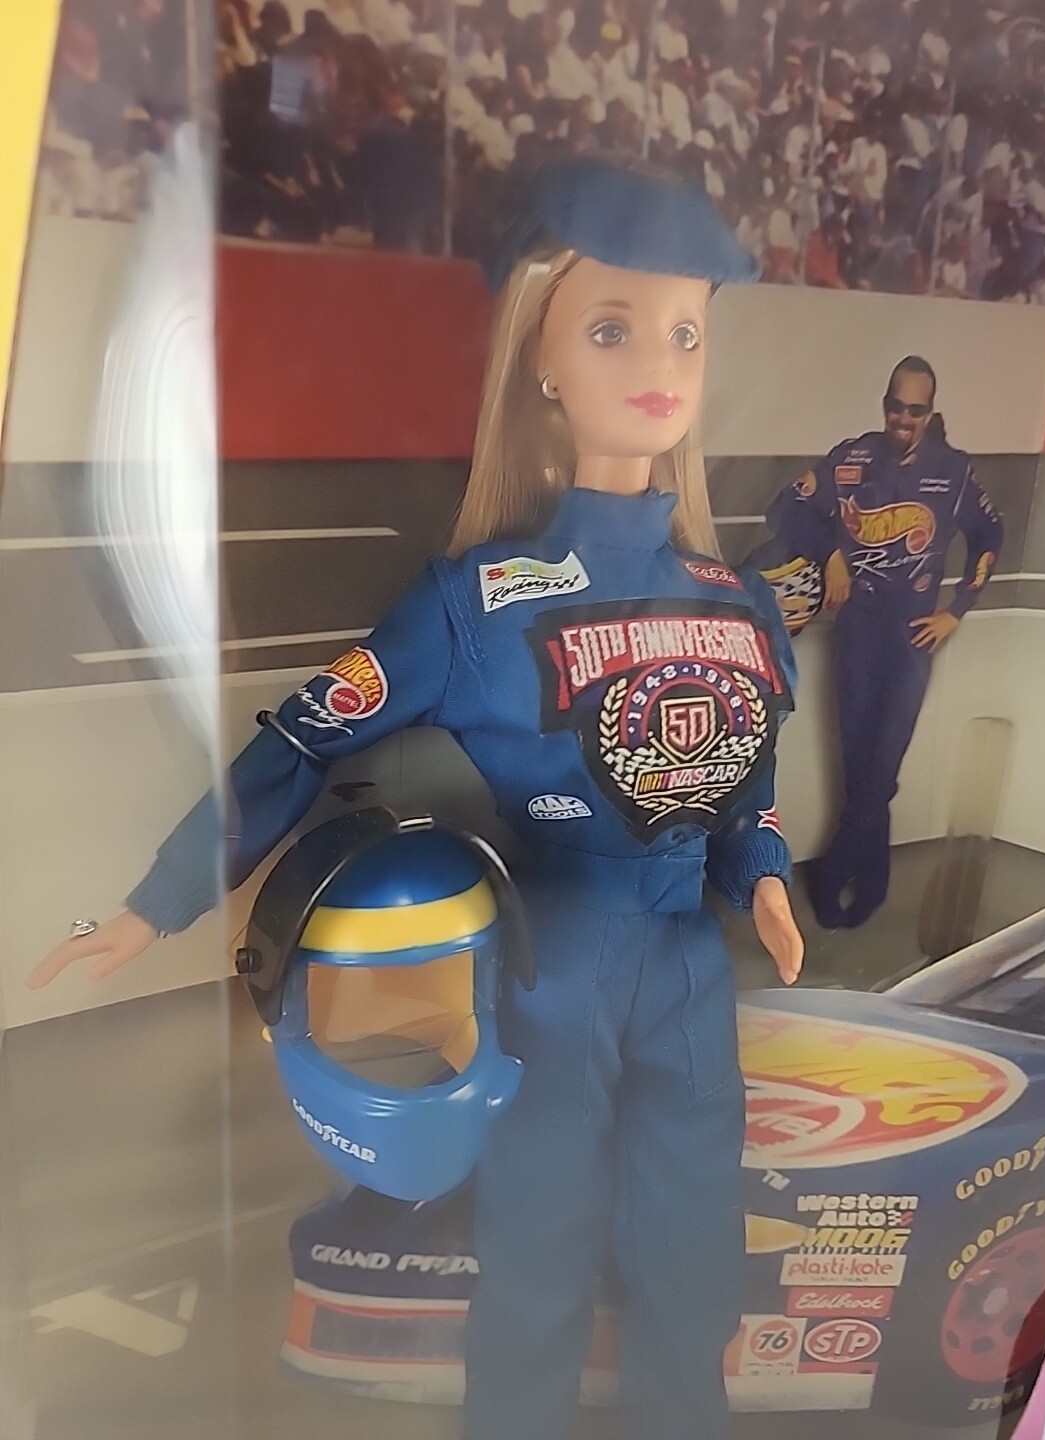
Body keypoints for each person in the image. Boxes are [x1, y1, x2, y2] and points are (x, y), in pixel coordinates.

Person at [30, 153, 804, 1440]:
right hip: (552, 965)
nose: (658, 363)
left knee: (691, 1255)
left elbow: (748, 787)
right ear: (542, 361)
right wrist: (159, 900)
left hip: (691, 970)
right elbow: (303, 736)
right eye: (611, 328)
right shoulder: (476, 603)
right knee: (539, 1251)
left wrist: (764, 877)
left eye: (685, 330)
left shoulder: (741, 601)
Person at [766, 355, 1003, 930]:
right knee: (859, 766)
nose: (904, 418)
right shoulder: (852, 459)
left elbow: (990, 535)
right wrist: (830, 553)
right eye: (896, 406)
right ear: (885, 405)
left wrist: (957, 610)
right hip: (857, 633)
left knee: (883, 767)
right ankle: (873, 883)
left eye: (915, 410)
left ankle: (829, 880)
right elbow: (784, 508)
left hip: (912, 639)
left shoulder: (953, 471)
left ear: (930, 412)